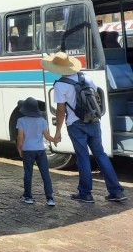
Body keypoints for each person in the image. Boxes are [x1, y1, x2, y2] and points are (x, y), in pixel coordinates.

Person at [42, 51, 127, 203]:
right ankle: (117, 191)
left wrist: (58, 131)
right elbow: (96, 95)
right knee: (101, 155)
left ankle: (85, 193)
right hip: (94, 121)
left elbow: (61, 110)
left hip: (76, 125)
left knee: (83, 157)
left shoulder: (60, 85)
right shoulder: (85, 77)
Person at [16, 97, 58, 206]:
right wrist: (54, 139)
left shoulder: (21, 121)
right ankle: (50, 198)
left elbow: (20, 137)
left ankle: (28, 196)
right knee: (45, 174)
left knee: (28, 173)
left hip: (28, 150)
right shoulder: (42, 121)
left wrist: (19, 148)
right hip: (40, 150)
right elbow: (47, 136)